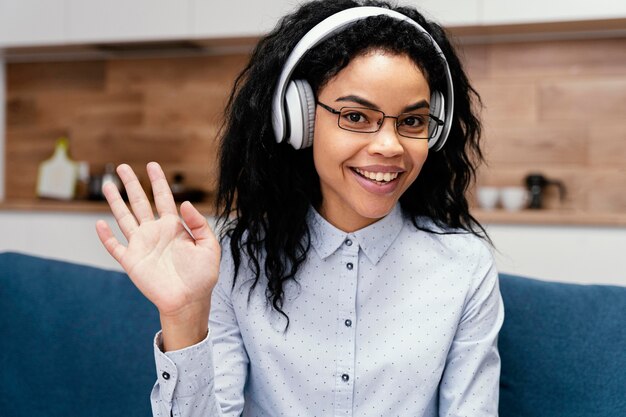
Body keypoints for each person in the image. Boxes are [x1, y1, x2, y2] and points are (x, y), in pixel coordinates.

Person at [95, 0, 504, 416]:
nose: (389, 145)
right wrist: (183, 316)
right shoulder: (236, 260)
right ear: (300, 120)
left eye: (412, 122)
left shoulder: (464, 266)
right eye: (356, 116)